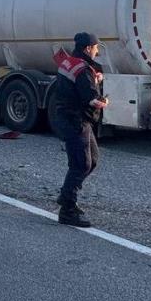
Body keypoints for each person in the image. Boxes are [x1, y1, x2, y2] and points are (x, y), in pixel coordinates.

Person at [51, 32, 108, 228]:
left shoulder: (71, 62)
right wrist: (104, 102)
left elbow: (74, 85)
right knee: (81, 164)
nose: (97, 50)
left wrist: (95, 78)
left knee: (92, 160)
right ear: (87, 49)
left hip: (72, 119)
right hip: (75, 121)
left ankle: (66, 194)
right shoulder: (83, 69)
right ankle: (67, 210)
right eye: (96, 47)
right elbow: (91, 99)